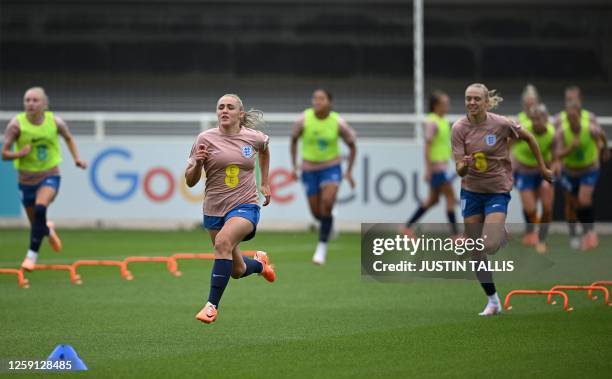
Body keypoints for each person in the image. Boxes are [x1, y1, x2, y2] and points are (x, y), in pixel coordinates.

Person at [452, 83, 552, 316]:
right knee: (477, 251)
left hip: (496, 190)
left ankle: (500, 233)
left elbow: (529, 137)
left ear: (486, 102)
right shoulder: (458, 128)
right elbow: (458, 169)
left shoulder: (501, 124)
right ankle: (493, 301)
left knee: (489, 244)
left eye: (477, 99)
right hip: (471, 192)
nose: (472, 103)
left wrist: (543, 168)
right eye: (468, 99)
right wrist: (464, 166)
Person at [185, 94, 276, 325]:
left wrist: (264, 182)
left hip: (245, 205)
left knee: (223, 243)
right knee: (236, 269)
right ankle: (259, 264)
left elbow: (264, 149)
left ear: (240, 114)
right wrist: (196, 162)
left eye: (230, 107)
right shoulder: (204, 139)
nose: (224, 111)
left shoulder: (253, 138)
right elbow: (190, 181)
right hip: (214, 209)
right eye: (220, 107)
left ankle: (211, 306)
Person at [1, 87, 87, 271]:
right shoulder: (16, 125)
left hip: (50, 175)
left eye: (34, 100)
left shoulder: (55, 122)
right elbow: (4, 154)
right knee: (36, 224)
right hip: (25, 180)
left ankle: (31, 257)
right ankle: (48, 230)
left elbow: (68, 138)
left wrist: (77, 158)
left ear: (44, 104)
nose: (30, 104)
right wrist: (19, 154)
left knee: (41, 208)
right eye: (27, 100)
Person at [290, 89, 357, 265]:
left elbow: (352, 145)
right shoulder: (303, 119)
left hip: (331, 168)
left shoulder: (338, 122)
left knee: (327, 201)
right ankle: (329, 221)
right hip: (309, 169)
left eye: (322, 99)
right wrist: (294, 165)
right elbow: (294, 140)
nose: (317, 102)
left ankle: (321, 248)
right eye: (315, 98)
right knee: (317, 212)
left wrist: (349, 171)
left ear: (330, 102)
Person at [554, 86, 609, 251]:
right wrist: (567, 151)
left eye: (574, 99)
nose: (571, 102)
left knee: (584, 200)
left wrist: (603, 149)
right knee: (571, 204)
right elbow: (556, 152)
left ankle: (589, 233)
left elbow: (601, 137)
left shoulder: (589, 121)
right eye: (568, 99)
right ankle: (573, 235)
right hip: (569, 170)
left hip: (589, 168)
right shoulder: (560, 123)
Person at [402, 91, 458, 238]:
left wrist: (455, 158)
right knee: (450, 196)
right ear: (436, 105)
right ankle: (456, 235)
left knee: (432, 200)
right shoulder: (431, 122)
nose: (447, 106)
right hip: (436, 166)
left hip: (443, 164)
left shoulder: (444, 122)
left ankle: (407, 227)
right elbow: (428, 145)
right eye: (445, 103)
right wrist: (428, 169)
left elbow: (444, 145)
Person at [511, 104, 558, 253]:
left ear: (546, 119)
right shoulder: (524, 129)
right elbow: (508, 144)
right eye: (534, 119)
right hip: (524, 170)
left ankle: (541, 239)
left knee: (547, 208)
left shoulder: (552, 133)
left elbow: (556, 158)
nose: (536, 122)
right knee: (530, 209)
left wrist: (552, 171)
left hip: (542, 171)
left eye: (540, 118)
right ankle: (533, 232)